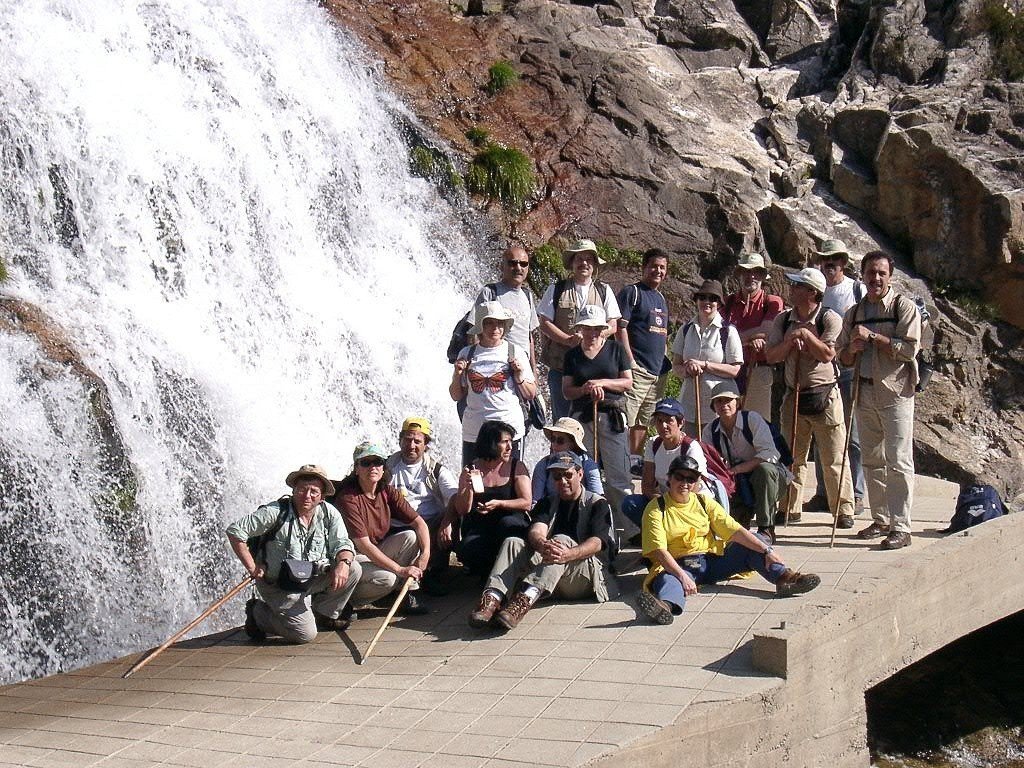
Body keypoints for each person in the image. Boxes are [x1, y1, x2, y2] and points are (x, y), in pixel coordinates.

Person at [635, 455, 820, 624]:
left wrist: (767, 551)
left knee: (754, 542)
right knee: (668, 579)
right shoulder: (656, 508)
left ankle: (784, 579)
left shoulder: (703, 501)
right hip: (678, 564)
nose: (684, 483)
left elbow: (734, 530)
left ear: (697, 482)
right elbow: (659, 551)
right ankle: (665, 607)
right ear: (669, 478)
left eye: (690, 479)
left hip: (710, 560)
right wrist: (683, 577)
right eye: (679, 477)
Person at [468, 452, 618, 630]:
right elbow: (537, 530)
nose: (562, 481)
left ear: (580, 474)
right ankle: (492, 598)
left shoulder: (597, 503)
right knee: (513, 542)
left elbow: (598, 543)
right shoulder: (547, 502)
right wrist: (542, 543)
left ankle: (524, 600)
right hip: (549, 573)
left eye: (568, 475)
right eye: (557, 477)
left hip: (583, 575)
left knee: (561, 540)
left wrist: (568, 554)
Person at [837, 250, 921, 550]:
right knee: (872, 459)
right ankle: (881, 518)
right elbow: (842, 356)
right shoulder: (854, 312)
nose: (875, 278)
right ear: (862, 274)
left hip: (896, 392)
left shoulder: (904, 308)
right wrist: (853, 349)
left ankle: (902, 526)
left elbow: (910, 350)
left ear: (890, 276)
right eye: (870, 273)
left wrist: (872, 338)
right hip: (864, 390)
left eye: (881, 273)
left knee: (898, 460)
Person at [226, 464, 359, 643]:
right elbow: (235, 531)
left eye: (314, 491)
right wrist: (252, 566)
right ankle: (258, 614)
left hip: (310, 579)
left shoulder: (329, 513)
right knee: (305, 635)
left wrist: (343, 564)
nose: (307, 496)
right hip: (280, 585)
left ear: (322, 496)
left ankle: (322, 615)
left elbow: (343, 543)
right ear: (294, 490)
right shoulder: (274, 512)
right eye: (302, 489)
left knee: (353, 568)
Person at [765, 267, 856, 529]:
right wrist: (791, 342)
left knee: (834, 456)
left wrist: (805, 335)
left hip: (824, 395)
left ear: (812, 292)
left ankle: (843, 509)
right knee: (793, 456)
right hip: (794, 396)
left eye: (797, 286)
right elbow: (772, 356)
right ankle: (788, 508)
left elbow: (828, 354)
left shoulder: (830, 318)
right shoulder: (783, 320)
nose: (791, 289)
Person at [333, 442, 431, 615]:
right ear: (356, 469)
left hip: (375, 549)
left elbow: (419, 523)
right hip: (353, 557)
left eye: (377, 462)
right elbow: (363, 545)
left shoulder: (387, 491)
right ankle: (344, 600)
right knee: (388, 578)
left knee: (410, 536)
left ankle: (406, 592)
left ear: (383, 467)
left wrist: (425, 555)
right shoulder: (348, 498)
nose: (373, 467)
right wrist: (400, 569)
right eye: (366, 462)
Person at [805, 239, 866, 515]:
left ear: (843, 262)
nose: (829, 264)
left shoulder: (855, 289)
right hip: (822, 373)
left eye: (834, 259)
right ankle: (825, 492)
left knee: (851, 435)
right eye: (824, 259)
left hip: (850, 369)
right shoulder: (816, 292)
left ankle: (855, 492)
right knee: (822, 432)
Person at [562, 304, 633, 526]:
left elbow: (627, 382)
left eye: (596, 329)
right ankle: (586, 523)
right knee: (585, 471)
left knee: (618, 475)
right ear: (580, 328)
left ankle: (629, 527)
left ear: (603, 329)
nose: (592, 333)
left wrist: (601, 382)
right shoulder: (572, 355)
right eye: (587, 328)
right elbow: (566, 391)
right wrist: (584, 389)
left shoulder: (616, 350)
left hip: (611, 417)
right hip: (583, 419)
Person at [538, 239, 621, 420]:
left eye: (589, 259)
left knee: (593, 420)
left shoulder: (604, 290)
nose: (584, 263)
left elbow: (613, 325)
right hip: (561, 367)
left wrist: (595, 337)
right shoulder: (557, 289)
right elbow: (544, 322)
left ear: (594, 264)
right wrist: (568, 340)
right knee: (562, 420)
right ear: (572, 262)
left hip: (595, 372)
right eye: (579, 258)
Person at [450, 301, 536, 468]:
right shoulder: (467, 353)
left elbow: (530, 393)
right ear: (481, 326)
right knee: (474, 481)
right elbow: (456, 395)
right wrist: (457, 375)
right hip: (475, 430)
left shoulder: (515, 351)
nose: (495, 328)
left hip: (508, 429)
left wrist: (518, 376)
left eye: (499, 323)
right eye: (489, 322)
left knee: (510, 480)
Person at [620, 397, 730, 528]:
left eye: (669, 421)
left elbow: (692, 488)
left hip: (692, 503)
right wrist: (661, 502)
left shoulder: (691, 447)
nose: (663, 426)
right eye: (659, 421)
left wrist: (672, 507)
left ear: (680, 422)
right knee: (631, 503)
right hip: (665, 500)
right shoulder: (653, 443)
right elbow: (647, 485)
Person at [703, 381, 789, 541]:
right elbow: (709, 462)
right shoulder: (710, 430)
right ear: (713, 405)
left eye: (728, 400)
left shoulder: (753, 420)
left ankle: (766, 528)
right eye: (718, 401)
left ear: (738, 402)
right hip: (737, 483)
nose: (724, 405)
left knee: (765, 470)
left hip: (771, 480)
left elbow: (770, 454)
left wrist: (738, 469)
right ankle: (738, 522)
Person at [385, 416, 459, 593]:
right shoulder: (386, 467)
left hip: (430, 524)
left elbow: (455, 496)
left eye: (417, 441)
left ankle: (433, 573)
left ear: (426, 444)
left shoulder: (436, 469)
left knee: (450, 521)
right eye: (407, 440)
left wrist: (447, 522)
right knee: (410, 533)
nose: (411, 446)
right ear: (400, 440)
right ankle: (407, 585)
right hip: (395, 527)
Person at [452, 420, 532, 578]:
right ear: (491, 443)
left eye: (511, 441)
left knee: (507, 524)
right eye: (504, 442)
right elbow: (462, 509)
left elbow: (526, 503)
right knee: (468, 547)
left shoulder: (517, 467)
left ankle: (510, 570)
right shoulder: (470, 469)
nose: (510, 447)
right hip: (480, 526)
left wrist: (499, 504)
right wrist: (467, 488)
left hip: (510, 522)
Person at [616, 248, 672, 474]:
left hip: (657, 372)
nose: (657, 271)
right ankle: (618, 460)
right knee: (626, 416)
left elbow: (662, 333)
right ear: (644, 267)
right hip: (637, 367)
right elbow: (620, 329)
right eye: (654, 266)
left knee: (644, 419)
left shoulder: (660, 298)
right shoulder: (632, 293)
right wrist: (629, 361)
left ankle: (635, 459)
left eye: (662, 268)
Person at [671, 279, 743, 438]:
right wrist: (687, 370)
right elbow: (676, 366)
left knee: (716, 453)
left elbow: (735, 369)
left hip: (719, 406)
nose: (707, 302)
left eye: (712, 298)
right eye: (702, 297)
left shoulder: (728, 331)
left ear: (719, 303)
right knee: (691, 451)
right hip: (689, 403)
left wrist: (704, 365)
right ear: (696, 301)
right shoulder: (685, 329)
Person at [722, 252, 784, 422]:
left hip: (758, 369)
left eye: (756, 272)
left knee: (757, 425)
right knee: (728, 424)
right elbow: (718, 336)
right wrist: (751, 338)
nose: (751, 276)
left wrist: (733, 338)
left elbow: (767, 330)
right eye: (746, 272)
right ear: (739, 275)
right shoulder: (727, 303)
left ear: (763, 276)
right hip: (729, 371)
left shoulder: (772, 302)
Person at [472, 244, 540, 369]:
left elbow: (529, 337)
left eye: (523, 264)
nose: (518, 268)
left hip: (522, 364)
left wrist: (533, 370)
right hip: (496, 364)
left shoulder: (527, 295)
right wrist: (475, 365)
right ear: (502, 266)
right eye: (512, 263)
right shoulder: (490, 292)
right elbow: (475, 330)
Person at [531, 417, 604, 507]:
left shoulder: (588, 464)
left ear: (573, 444)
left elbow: (597, 499)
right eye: (553, 439)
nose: (554, 444)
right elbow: (535, 501)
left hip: (581, 511)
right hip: (551, 513)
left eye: (560, 441)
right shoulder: (543, 464)